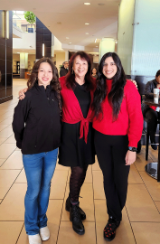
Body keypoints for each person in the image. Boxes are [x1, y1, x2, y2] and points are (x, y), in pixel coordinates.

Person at [92, 52, 143, 241]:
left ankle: (115, 212)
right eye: (104, 64)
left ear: (118, 66)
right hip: (101, 140)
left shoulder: (128, 86)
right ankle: (113, 217)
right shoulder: (98, 85)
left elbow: (137, 117)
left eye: (112, 64)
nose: (108, 68)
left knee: (120, 180)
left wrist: (132, 147)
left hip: (122, 142)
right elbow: (71, 81)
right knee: (108, 178)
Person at [13, 58, 61, 244]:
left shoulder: (56, 94)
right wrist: (21, 142)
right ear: (36, 73)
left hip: (51, 151)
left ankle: (42, 222)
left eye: (49, 71)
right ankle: (31, 227)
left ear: (54, 74)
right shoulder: (29, 95)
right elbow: (18, 121)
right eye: (42, 71)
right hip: (32, 152)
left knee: (46, 187)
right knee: (33, 190)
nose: (46, 74)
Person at [59, 51, 95, 235]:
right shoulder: (62, 82)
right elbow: (42, 87)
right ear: (71, 65)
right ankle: (74, 206)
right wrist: (26, 90)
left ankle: (70, 200)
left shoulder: (93, 84)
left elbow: (112, 87)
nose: (81, 67)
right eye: (77, 63)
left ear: (89, 66)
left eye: (84, 64)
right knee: (77, 169)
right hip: (69, 131)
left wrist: (131, 83)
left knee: (84, 167)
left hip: (87, 131)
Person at [142, 70, 160, 150]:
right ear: (156, 77)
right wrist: (157, 92)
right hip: (149, 108)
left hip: (158, 108)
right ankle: (152, 140)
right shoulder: (150, 83)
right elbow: (146, 93)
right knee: (153, 116)